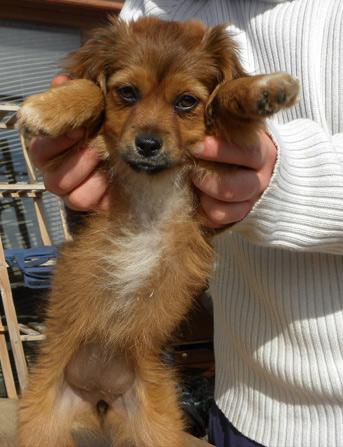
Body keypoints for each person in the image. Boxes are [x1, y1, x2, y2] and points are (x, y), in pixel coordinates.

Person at [28, 1, 343, 446]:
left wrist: (282, 169)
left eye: (186, 102)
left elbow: (223, 121)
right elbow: (94, 89)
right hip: (241, 403)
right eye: (127, 94)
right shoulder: (154, 7)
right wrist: (77, 107)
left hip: (151, 373)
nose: (150, 128)